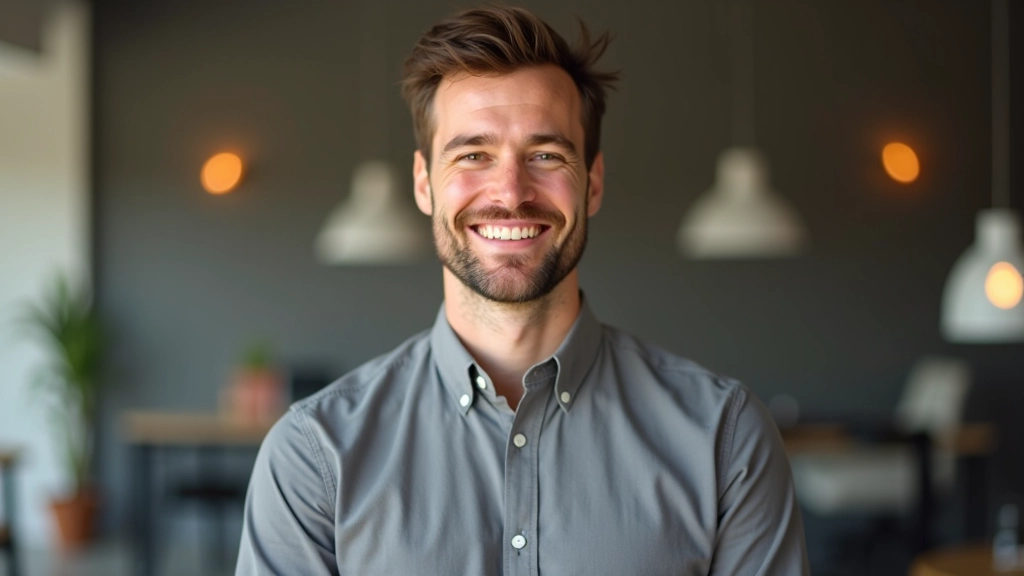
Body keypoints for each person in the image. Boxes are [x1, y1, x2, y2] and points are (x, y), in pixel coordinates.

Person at [236, 5, 808, 575]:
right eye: (473, 155)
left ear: (595, 183)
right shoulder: (314, 456)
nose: (510, 192)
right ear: (423, 184)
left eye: (545, 155)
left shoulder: (725, 439)